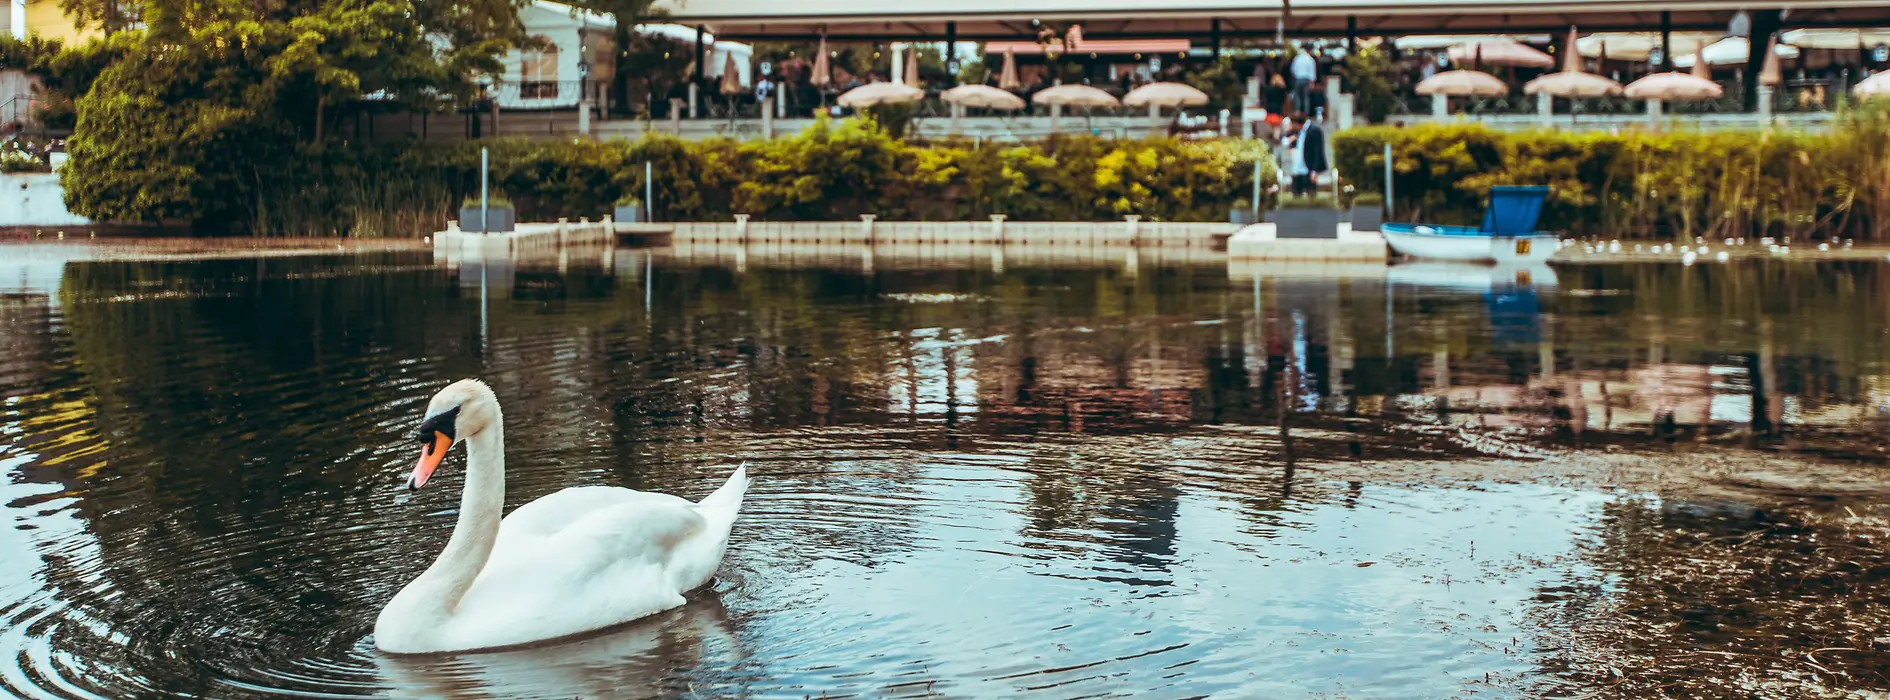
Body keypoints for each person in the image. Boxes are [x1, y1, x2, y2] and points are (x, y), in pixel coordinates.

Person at [1290, 113, 1329, 197]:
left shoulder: (1314, 131)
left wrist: (1315, 170)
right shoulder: (1297, 132)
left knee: (1310, 193)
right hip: (1298, 168)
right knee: (1296, 193)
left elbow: (1318, 151)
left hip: (1308, 168)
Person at [1290, 48, 1318, 115]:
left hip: (1298, 79)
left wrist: (1296, 76)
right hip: (1306, 79)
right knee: (1306, 97)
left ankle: (1297, 112)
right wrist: (1312, 82)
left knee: (1297, 97)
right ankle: (1306, 113)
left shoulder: (1296, 59)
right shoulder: (1310, 59)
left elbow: (1293, 70)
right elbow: (1312, 71)